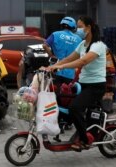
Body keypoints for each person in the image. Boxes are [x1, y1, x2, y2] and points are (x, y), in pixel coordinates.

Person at [46, 16, 107, 151]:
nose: (77, 29)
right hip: (83, 84)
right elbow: (68, 58)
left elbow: (82, 61)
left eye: (80, 26)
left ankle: (85, 140)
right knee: (67, 106)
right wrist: (51, 67)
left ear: (89, 27)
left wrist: (62, 67)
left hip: (96, 86)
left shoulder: (98, 46)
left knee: (74, 108)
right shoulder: (82, 44)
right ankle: (82, 133)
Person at [43, 16, 82, 86]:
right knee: (67, 93)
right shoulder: (78, 39)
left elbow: (45, 45)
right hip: (70, 72)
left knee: (54, 92)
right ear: (73, 26)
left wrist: (52, 55)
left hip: (55, 69)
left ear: (62, 24)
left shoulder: (55, 34)